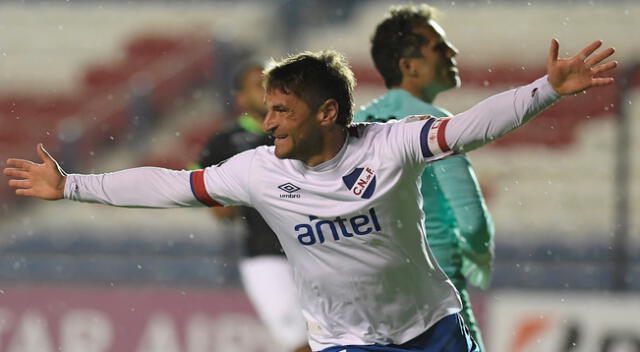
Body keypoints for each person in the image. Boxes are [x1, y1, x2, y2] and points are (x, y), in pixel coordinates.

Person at [4, 40, 615, 352]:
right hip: (346, 341)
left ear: (327, 112)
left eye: (280, 110)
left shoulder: (389, 145)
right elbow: (171, 186)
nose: (266, 123)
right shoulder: (256, 170)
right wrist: (73, 186)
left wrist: (546, 90)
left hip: (433, 326)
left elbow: (470, 127)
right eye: (266, 109)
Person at [353, 5, 492, 349]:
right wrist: (480, 252)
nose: (452, 52)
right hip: (436, 285)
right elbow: (472, 221)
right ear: (409, 66)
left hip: (374, 289)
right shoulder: (435, 124)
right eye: (439, 47)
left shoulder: (357, 123)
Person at [196, 62, 311, 352]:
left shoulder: (305, 132)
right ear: (240, 98)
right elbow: (223, 213)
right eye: (258, 85)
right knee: (298, 342)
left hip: (317, 247)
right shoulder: (225, 143)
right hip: (267, 255)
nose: (267, 91)